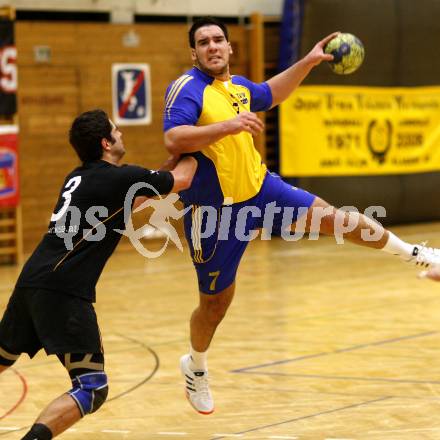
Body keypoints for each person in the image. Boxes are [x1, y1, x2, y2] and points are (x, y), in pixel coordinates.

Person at [162, 16, 440, 415]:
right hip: (216, 216)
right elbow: (174, 137)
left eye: (218, 39)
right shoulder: (188, 89)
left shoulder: (236, 86)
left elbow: (272, 93)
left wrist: (307, 62)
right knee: (215, 306)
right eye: (204, 42)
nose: (212, 46)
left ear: (229, 47)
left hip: (261, 189)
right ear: (194, 52)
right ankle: (196, 365)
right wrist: (227, 126)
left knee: (336, 219)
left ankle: (417, 253)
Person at [0, 109, 197, 440]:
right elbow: (185, 179)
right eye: (117, 131)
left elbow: (134, 197)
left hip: (32, 280)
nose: (122, 135)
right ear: (106, 142)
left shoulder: (78, 178)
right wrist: (197, 142)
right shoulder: (119, 178)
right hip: (64, 290)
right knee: (92, 387)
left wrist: (168, 163)